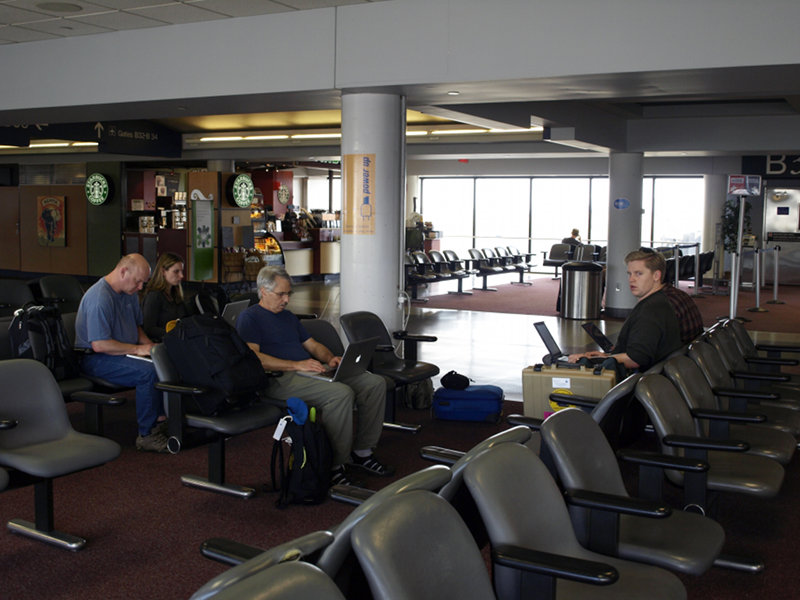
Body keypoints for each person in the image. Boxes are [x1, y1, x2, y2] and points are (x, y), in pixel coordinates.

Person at [236, 265, 392, 487]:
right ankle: (334, 465)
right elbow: (254, 358)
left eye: (289, 293)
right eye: (281, 294)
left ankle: (362, 451)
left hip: (308, 371)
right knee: (340, 394)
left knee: (373, 383)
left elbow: (313, 345)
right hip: (279, 378)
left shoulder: (288, 317)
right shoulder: (249, 318)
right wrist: (296, 364)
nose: (286, 299)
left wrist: (329, 359)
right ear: (263, 291)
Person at [75, 253, 167, 453]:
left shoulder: (129, 292)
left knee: (164, 361)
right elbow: (99, 345)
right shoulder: (99, 298)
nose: (140, 287)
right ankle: (147, 434)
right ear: (123, 271)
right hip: (96, 358)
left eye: (143, 282)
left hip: (121, 351)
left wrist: (152, 348)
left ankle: (162, 419)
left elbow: (136, 327)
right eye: (138, 282)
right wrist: (137, 349)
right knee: (148, 373)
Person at [569, 249, 682, 373]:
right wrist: (606, 356)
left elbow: (636, 359)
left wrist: (594, 360)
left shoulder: (651, 311)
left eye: (639, 273)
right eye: (630, 274)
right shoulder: (658, 301)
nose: (631, 279)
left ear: (656, 276)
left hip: (635, 380)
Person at [141, 252, 189, 342]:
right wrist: (174, 333)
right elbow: (149, 329)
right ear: (163, 271)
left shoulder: (175, 294)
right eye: (176, 272)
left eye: (181, 271)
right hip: (162, 343)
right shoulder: (154, 296)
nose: (181, 276)